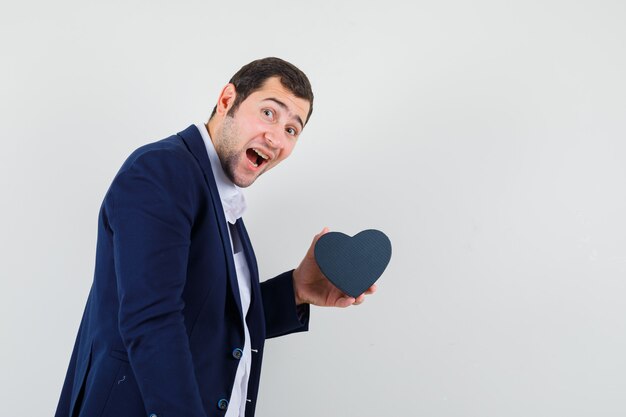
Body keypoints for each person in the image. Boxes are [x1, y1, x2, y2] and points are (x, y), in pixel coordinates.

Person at [55, 57, 375, 417]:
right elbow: (152, 321)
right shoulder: (163, 171)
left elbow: (210, 323)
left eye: (292, 129)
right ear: (227, 100)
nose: (276, 137)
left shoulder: (221, 199)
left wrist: (297, 289)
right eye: (269, 113)